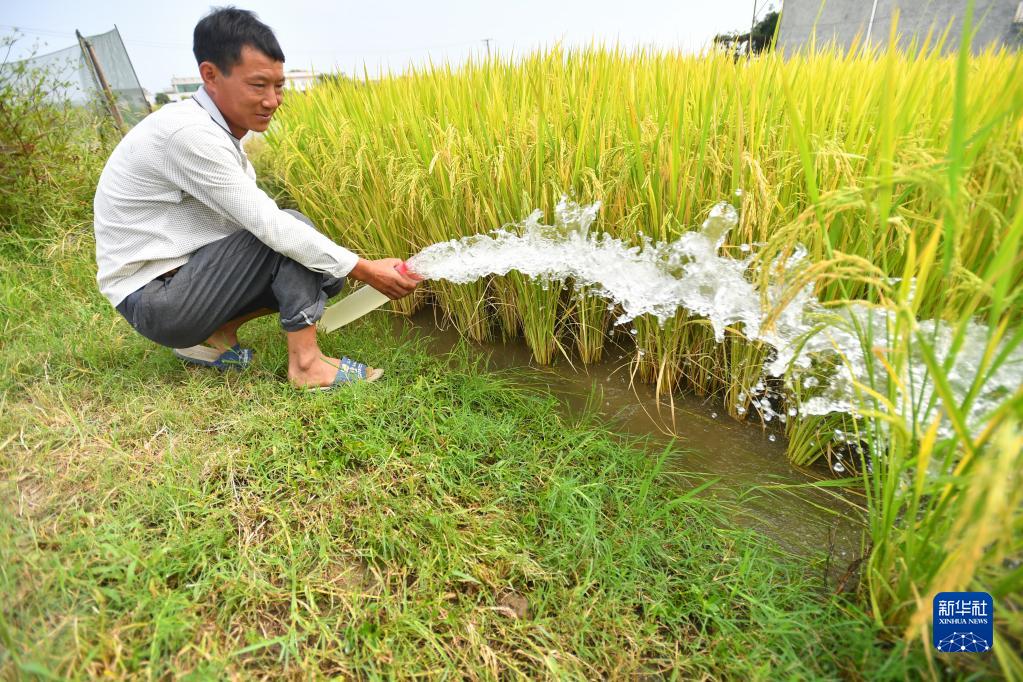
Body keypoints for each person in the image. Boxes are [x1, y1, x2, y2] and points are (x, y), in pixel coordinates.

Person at [93, 7, 420, 390]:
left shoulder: (214, 130)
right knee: (291, 234)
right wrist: (364, 269)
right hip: (155, 300)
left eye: (278, 86)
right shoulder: (188, 134)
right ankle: (306, 365)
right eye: (258, 85)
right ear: (210, 75)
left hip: (176, 284)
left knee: (325, 273)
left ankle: (218, 334)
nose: (272, 100)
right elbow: (270, 226)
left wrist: (344, 267)